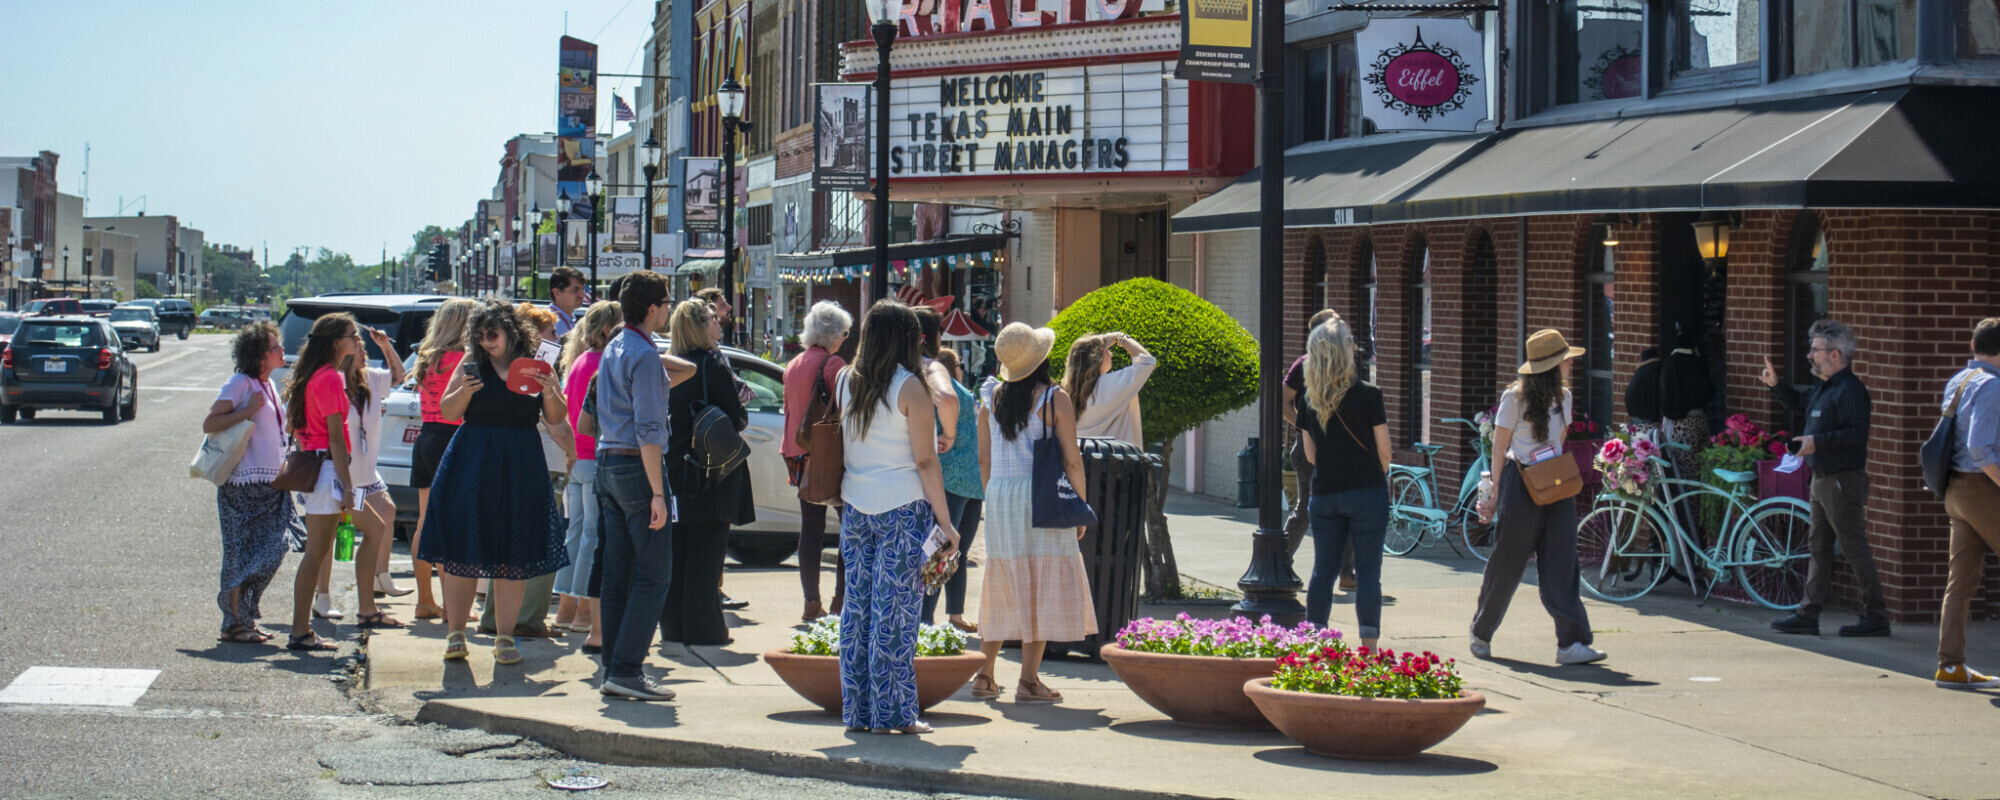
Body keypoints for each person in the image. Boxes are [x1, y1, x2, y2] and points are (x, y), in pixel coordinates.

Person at [416, 300, 571, 666]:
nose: (486, 341)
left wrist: (549, 388)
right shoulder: (472, 365)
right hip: (474, 457)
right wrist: (465, 391)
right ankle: (456, 634)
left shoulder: (533, 365)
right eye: (480, 335)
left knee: (512, 554)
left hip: (520, 460)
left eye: (493, 334)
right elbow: (449, 412)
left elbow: (556, 416)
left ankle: (505, 637)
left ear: (511, 332)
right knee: (463, 550)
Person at [836, 300, 960, 734]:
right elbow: (926, 462)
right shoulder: (911, 388)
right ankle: (897, 713)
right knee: (896, 615)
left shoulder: (845, 380)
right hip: (903, 509)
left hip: (855, 507)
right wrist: (946, 523)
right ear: (912, 339)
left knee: (858, 611)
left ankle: (858, 712)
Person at [971, 322, 1098, 703]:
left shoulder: (990, 397)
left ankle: (984, 674)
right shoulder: (1054, 398)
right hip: (1041, 493)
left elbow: (983, 457)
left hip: (1000, 494)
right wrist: (1078, 507)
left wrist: (994, 495)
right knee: (1040, 581)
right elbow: (1072, 460)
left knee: (1002, 581)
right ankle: (1028, 680)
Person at [1469, 329, 1605, 666]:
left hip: (1556, 479)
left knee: (1562, 560)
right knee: (1508, 561)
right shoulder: (1514, 398)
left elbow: (1559, 439)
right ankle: (1481, 632)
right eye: (1565, 360)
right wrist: (1495, 489)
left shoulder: (1565, 397)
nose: (1570, 364)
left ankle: (1571, 643)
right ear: (1551, 366)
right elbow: (1499, 447)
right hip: (1521, 479)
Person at [592, 272, 696, 700]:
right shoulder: (643, 353)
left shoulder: (615, 346)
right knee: (654, 575)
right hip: (637, 469)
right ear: (651, 309)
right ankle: (628, 668)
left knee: (619, 572)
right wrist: (658, 493)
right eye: (667, 303)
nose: (669, 309)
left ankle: (616, 667)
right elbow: (650, 431)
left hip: (607, 464)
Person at [1761, 319, 1889, 637]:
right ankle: (1808, 613)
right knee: (1818, 547)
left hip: (1842, 480)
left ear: (1834, 354)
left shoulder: (1851, 390)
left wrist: (1817, 442)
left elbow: (1857, 433)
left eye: (1815, 350)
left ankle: (1876, 616)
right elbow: (1800, 404)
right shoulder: (1825, 388)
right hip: (1821, 479)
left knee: (1853, 547)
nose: (1809, 355)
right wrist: (1776, 385)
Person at [477, 303, 576, 639]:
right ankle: (527, 620)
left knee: (508, 547)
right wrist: (572, 452)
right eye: (549, 331)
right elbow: (557, 422)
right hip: (541, 461)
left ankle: (496, 618)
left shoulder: (513, 368)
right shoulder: (534, 367)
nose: (555, 337)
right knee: (536, 546)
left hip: (519, 461)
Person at [661, 299, 754, 646]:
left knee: (677, 551)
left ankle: (672, 626)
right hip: (709, 469)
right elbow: (736, 415)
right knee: (707, 552)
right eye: (714, 319)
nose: (720, 323)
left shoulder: (670, 365)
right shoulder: (712, 363)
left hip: (674, 466)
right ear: (701, 326)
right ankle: (705, 629)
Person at [1293, 316, 1389, 648]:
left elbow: (1310, 455)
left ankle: (1314, 643)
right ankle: (1368, 649)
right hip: (1367, 493)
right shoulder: (1369, 395)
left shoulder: (1307, 400)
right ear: (1343, 352)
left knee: (1323, 571)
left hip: (1326, 495)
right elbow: (1385, 452)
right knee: (1368, 573)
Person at [204, 321, 295, 644]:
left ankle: (245, 614)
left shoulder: (269, 385)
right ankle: (233, 623)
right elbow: (210, 422)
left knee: (276, 548)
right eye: (275, 347)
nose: (282, 351)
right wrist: (246, 410)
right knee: (239, 553)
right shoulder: (241, 384)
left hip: (272, 485)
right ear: (260, 355)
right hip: (241, 486)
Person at [281, 314, 364, 652]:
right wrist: (346, 485)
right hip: (327, 470)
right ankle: (300, 631)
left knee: (317, 552)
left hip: (319, 468)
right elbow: (336, 438)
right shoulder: (329, 378)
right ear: (335, 341)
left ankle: (301, 630)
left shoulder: (316, 375)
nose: (357, 339)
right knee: (315, 554)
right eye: (352, 335)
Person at [1932, 318, 2000, 689]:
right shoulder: (1992, 386)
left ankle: (1951, 665)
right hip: (1981, 489)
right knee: (1961, 582)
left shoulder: (1960, 380)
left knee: (1960, 582)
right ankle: (1951, 666)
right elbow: (1980, 447)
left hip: (1954, 490)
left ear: (1974, 347)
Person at [552, 302, 622, 644]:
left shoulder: (579, 361)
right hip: (594, 457)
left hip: (576, 458)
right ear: (609, 329)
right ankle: (582, 611)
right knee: (592, 537)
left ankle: (566, 607)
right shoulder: (604, 363)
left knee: (576, 533)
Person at [408, 298, 479, 620]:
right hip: (452, 438)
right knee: (453, 525)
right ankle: (452, 605)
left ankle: (426, 600)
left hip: (426, 437)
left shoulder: (427, 358)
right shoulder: (462, 359)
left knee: (426, 522)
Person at [783, 301, 852, 621]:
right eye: (844, 333)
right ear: (833, 334)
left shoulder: (794, 364)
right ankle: (840, 600)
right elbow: (847, 408)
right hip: (827, 454)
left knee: (810, 529)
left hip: (796, 452)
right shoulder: (833, 363)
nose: (845, 339)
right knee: (849, 526)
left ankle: (811, 602)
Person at [336, 324, 407, 630]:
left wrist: (385, 346)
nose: (364, 351)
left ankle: (381, 577)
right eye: (360, 347)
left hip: (366, 471)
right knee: (332, 538)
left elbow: (399, 375)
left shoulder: (369, 380)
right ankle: (323, 595)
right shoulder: (334, 382)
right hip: (342, 473)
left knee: (387, 512)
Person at [914, 308, 978, 632]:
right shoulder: (929, 372)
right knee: (940, 552)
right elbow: (947, 401)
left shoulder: (930, 373)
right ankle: (925, 620)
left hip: (966, 480)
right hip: (949, 477)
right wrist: (949, 436)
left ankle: (951, 616)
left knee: (954, 553)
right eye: (939, 331)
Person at [1281, 310, 1352, 590]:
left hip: (1343, 449)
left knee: (1349, 509)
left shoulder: (1345, 365)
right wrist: (1306, 426)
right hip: (1310, 449)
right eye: (1336, 326)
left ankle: (1347, 574)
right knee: (1308, 509)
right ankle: (1280, 563)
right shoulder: (1305, 365)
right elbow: (1283, 401)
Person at [1065, 330, 1157, 447]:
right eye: (1107, 350)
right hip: (1116, 460)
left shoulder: (1067, 395)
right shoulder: (1109, 385)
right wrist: (1120, 337)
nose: (1111, 354)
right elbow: (1147, 362)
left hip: (1080, 460)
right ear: (1097, 357)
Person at [1659, 330, 1714, 483]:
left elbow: (1665, 398)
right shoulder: (1700, 362)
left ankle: (1687, 507)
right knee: (1703, 470)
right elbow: (1709, 389)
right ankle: (1700, 505)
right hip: (1701, 420)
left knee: (1683, 473)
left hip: (1680, 425)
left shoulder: (1670, 363)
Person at [1624, 347, 1665, 442]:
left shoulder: (1638, 375)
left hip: (1638, 425)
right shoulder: (1661, 370)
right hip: (1657, 424)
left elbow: (1629, 399)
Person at [549, 266, 588, 339]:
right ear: (556, 293)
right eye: (575, 290)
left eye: (582, 289)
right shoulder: (550, 324)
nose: (582, 295)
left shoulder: (568, 318)